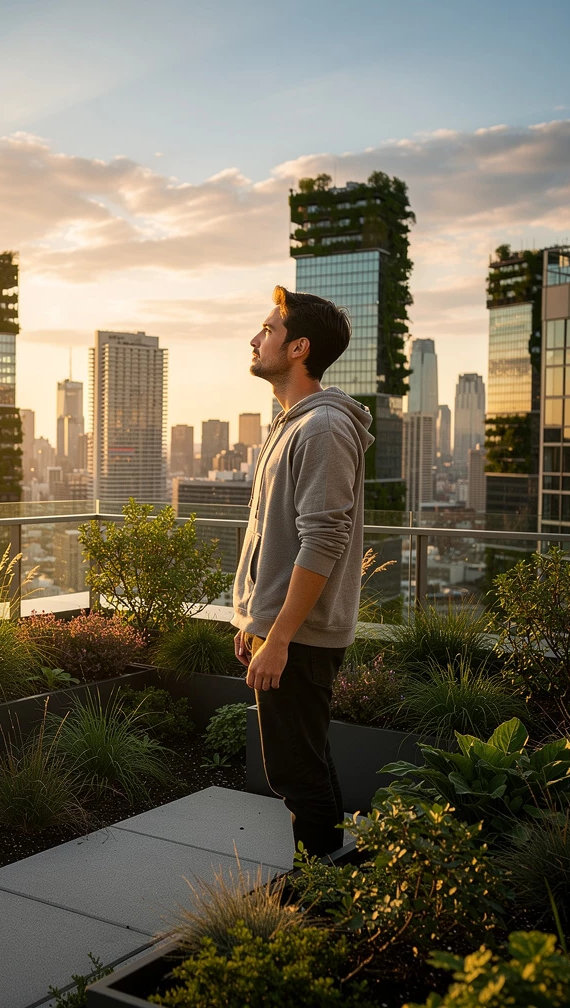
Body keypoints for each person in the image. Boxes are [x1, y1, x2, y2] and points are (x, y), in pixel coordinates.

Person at [232, 285, 373, 857]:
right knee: (304, 763)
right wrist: (256, 621)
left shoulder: (322, 429)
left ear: (298, 349)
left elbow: (323, 542)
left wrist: (281, 637)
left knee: (295, 773)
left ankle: (318, 898)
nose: (255, 337)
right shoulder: (294, 423)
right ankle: (332, 879)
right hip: (285, 630)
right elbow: (274, 536)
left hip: (302, 637)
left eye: (268, 329)